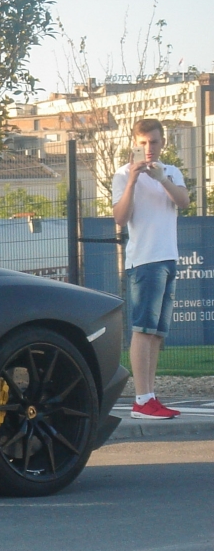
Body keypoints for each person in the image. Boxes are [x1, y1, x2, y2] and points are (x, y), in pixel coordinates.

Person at [112, 118, 191, 419]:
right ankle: (141, 399)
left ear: (163, 143)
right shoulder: (122, 174)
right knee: (143, 330)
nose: (149, 148)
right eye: (143, 143)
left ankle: (150, 396)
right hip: (144, 260)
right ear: (135, 144)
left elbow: (183, 201)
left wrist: (161, 178)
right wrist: (133, 179)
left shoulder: (171, 172)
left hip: (168, 257)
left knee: (156, 334)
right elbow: (121, 217)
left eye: (154, 142)